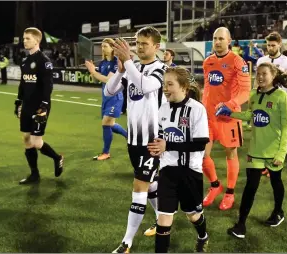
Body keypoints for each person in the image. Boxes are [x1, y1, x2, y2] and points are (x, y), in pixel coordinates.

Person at [104, 27, 167, 253]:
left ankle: (127, 242)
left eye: (144, 44)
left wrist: (128, 63)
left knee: (139, 187)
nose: (139, 47)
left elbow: (146, 85)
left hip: (153, 141)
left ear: (156, 47)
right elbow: (109, 91)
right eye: (137, 43)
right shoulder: (133, 67)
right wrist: (121, 70)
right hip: (133, 140)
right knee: (150, 184)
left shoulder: (162, 68)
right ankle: (163, 218)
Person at [218, 62, 287, 238]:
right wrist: (230, 113)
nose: (259, 77)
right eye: (257, 74)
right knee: (250, 187)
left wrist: (282, 153)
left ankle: (278, 211)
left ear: (273, 75)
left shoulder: (282, 97)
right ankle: (241, 225)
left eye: (264, 73)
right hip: (256, 150)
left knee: (276, 182)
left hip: (274, 151)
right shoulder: (253, 94)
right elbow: (250, 115)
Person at [147, 66, 210, 253]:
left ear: (183, 87)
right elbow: (161, 136)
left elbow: (200, 145)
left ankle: (203, 236)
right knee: (163, 219)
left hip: (190, 172)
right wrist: (156, 148)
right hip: (167, 171)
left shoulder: (197, 109)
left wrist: (168, 146)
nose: (165, 88)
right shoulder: (163, 108)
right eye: (164, 84)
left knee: (193, 215)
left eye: (170, 84)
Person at [201, 27, 251, 211]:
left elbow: (246, 92)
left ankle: (229, 192)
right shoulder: (208, 62)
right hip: (208, 117)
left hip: (229, 117)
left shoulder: (238, 62)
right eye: (215, 38)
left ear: (229, 41)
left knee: (231, 154)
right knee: (201, 154)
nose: (217, 42)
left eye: (221, 38)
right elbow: (207, 88)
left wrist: (230, 104)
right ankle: (215, 186)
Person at [14, 27, 64, 184]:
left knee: (36, 142)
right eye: (24, 38)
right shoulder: (25, 61)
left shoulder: (44, 61)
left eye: (27, 38)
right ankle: (34, 174)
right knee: (27, 139)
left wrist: (43, 105)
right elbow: (23, 83)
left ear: (37, 40)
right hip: (27, 105)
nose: (24, 41)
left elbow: (48, 86)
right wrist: (18, 101)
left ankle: (57, 157)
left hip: (40, 106)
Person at [85, 38, 128, 161]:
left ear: (112, 48)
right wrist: (92, 71)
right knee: (110, 124)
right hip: (105, 99)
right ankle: (129, 136)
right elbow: (95, 80)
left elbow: (109, 80)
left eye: (105, 46)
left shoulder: (117, 63)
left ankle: (106, 152)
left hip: (116, 98)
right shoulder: (102, 63)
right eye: (102, 46)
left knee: (105, 124)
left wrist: (94, 72)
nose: (103, 49)